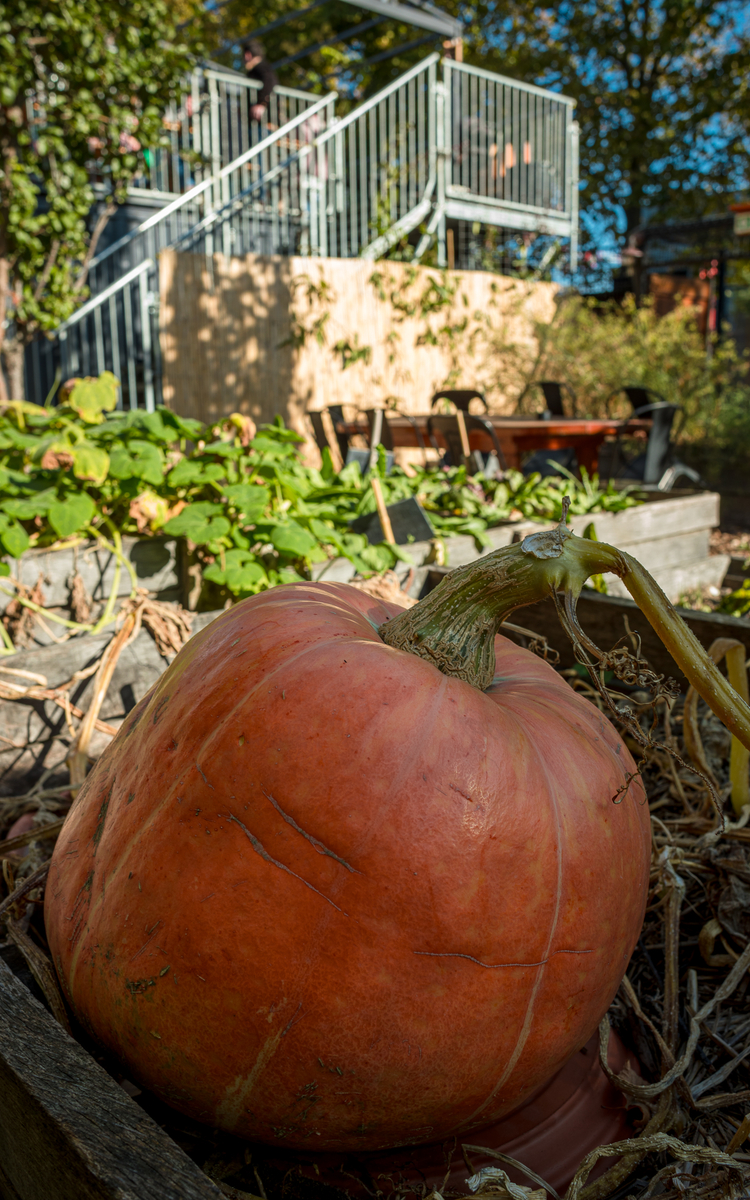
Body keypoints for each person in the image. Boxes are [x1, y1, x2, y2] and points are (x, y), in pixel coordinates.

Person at [243, 39, 278, 122]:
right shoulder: (263, 67)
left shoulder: (260, 66)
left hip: (264, 119)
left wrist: (261, 103)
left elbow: (269, 80)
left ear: (248, 55)